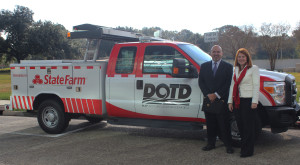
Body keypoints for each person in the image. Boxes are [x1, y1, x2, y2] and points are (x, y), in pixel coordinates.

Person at [198, 45, 234, 154]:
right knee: (210, 124)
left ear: (222, 53)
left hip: (221, 100)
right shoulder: (204, 66)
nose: (216, 54)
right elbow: (201, 82)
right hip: (209, 100)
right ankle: (211, 144)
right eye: (214, 52)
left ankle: (228, 145)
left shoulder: (228, 67)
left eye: (218, 52)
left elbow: (228, 84)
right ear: (211, 53)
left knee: (224, 125)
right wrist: (208, 94)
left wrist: (217, 94)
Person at [228, 48, 260, 158]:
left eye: (243, 56)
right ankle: (243, 148)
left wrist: (254, 101)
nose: (241, 58)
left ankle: (248, 150)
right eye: (239, 57)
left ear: (247, 58)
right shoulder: (235, 69)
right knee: (240, 126)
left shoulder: (253, 69)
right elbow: (233, 86)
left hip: (248, 100)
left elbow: (256, 85)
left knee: (248, 127)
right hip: (237, 101)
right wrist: (230, 101)